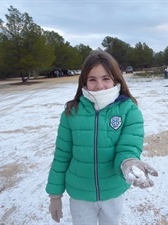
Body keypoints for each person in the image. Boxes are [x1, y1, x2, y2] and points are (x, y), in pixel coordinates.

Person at [46, 50, 158, 224]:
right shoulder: (71, 113)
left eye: (106, 78)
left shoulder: (129, 110)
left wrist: (128, 162)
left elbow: (128, 147)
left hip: (113, 192)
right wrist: (55, 196)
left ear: (116, 79)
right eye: (92, 79)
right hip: (80, 194)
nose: (99, 86)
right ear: (84, 81)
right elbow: (62, 156)